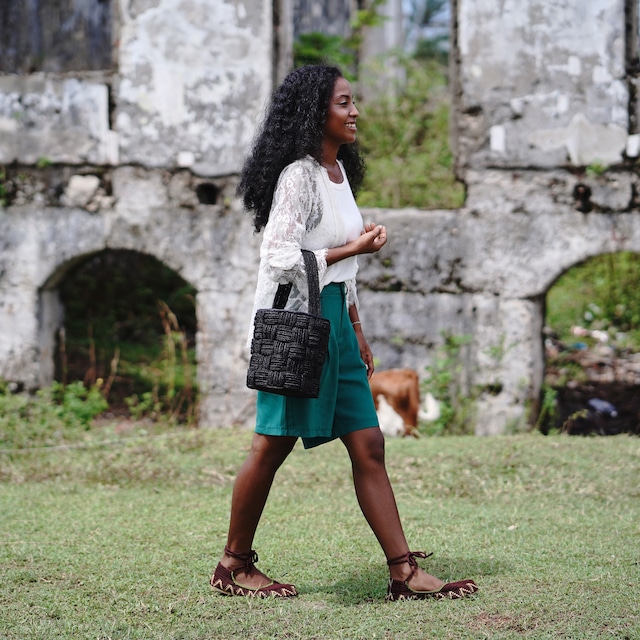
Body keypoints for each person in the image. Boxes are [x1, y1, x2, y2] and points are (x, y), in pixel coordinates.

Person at [210, 65, 478, 601]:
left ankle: (403, 572)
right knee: (271, 445)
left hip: (337, 322)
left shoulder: (338, 175)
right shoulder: (299, 176)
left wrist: (357, 327)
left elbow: (342, 271)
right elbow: (280, 256)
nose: (354, 112)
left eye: (353, 102)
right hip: (298, 325)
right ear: (316, 112)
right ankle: (234, 565)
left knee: (369, 442)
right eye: (343, 103)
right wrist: (353, 247)